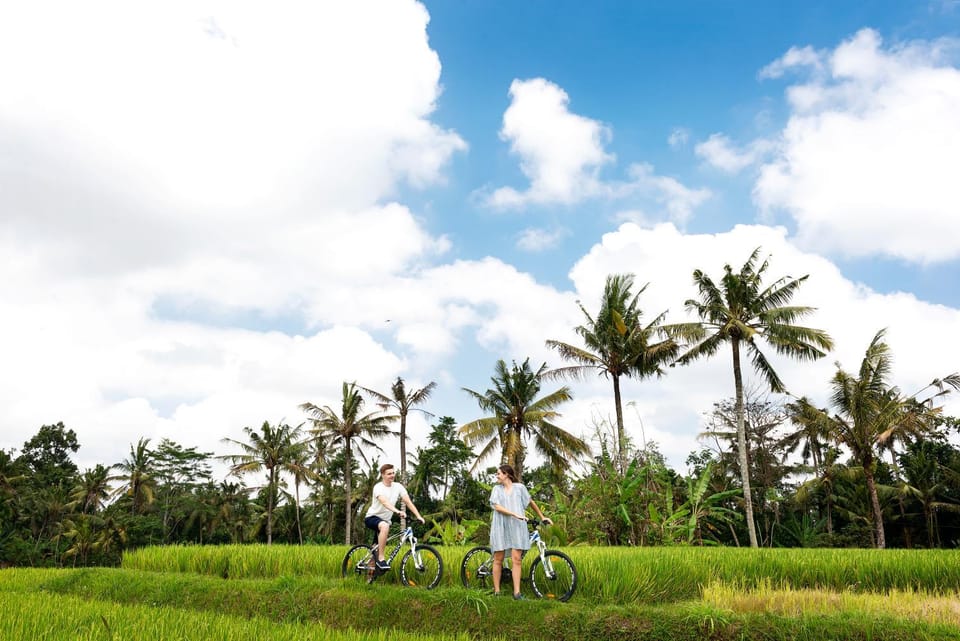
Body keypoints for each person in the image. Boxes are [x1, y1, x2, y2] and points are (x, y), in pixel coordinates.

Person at [489, 464, 551, 599]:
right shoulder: (496, 489)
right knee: (498, 559)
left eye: (499, 473)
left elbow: (530, 502)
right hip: (500, 526)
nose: (497, 476)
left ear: (507, 474)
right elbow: (496, 506)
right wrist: (514, 514)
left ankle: (517, 593)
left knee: (516, 559)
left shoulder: (520, 488)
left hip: (517, 526)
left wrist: (542, 517)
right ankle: (497, 592)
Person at [363, 463, 425, 570]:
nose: (392, 475)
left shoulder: (398, 487)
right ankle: (382, 559)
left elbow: (408, 502)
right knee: (385, 526)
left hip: (385, 521)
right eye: (389, 474)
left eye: (393, 473)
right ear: (382, 475)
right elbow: (385, 502)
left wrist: (419, 516)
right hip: (372, 518)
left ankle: (370, 576)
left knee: (375, 550)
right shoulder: (378, 487)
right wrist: (398, 511)